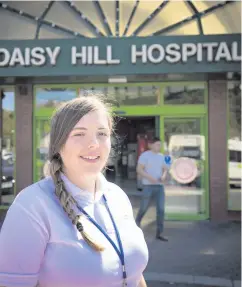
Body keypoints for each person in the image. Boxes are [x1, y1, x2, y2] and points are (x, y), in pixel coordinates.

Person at [0, 96, 149, 287]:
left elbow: (134, 275)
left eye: (102, 133)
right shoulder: (31, 206)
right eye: (79, 134)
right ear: (58, 145)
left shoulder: (117, 196)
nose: (94, 143)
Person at [136, 137, 168, 242]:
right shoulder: (145, 156)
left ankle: (160, 233)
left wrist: (163, 176)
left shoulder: (161, 156)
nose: (159, 147)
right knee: (143, 208)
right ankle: (136, 226)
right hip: (148, 186)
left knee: (161, 210)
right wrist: (150, 178)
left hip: (159, 187)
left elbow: (164, 169)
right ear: (151, 145)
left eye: (160, 145)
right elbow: (139, 170)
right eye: (157, 144)